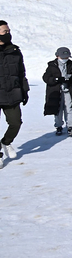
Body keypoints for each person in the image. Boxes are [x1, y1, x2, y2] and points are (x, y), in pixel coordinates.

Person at [0, 21, 28, 168]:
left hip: (11, 94)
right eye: (5, 32)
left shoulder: (15, 51)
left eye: (8, 31)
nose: (8, 34)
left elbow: (21, 73)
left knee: (16, 123)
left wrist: (24, 91)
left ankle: (6, 142)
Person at [43, 47, 72, 137]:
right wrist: (56, 79)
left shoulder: (71, 65)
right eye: (63, 58)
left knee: (70, 108)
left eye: (67, 58)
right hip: (56, 91)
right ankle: (58, 126)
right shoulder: (52, 66)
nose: (65, 59)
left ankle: (70, 126)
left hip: (68, 91)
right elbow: (46, 78)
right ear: (57, 56)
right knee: (58, 109)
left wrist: (71, 79)